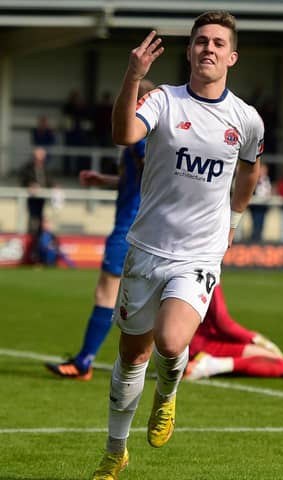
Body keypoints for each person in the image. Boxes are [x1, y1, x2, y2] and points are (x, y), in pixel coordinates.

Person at [89, 11, 263, 479]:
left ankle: (166, 397)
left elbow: (250, 170)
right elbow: (124, 135)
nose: (208, 48)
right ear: (189, 51)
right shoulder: (163, 100)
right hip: (146, 248)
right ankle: (114, 451)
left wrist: (236, 218)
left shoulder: (246, 119)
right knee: (132, 356)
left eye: (217, 42)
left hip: (199, 254)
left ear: (232, 56)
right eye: (200, 40)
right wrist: (133, 76)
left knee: (170, 341)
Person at [44, 80, 154, 381]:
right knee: (146, 297)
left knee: (108, 292)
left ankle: (84, 362)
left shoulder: (140, 138)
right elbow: (140, 179)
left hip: (131, 227)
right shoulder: (138, 140)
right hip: (139, 224)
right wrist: (104, 180)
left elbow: (158, 173)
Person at [184, 282, 283, 379]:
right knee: (282, 364)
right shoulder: (205, 266)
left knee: (275, 360)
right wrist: (257, 340)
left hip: (182, 343)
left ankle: (212, 364)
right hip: (203, 344)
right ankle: (211, 365)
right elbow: (222, 323)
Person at [21, 146, 55, 264]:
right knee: (33, 226)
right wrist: (30, 186)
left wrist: (55, 187)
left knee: (42, 228)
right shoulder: (27, 168)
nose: (41, 159)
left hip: (43, 202)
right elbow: (23, 181)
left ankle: (40, 257)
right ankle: (29, 256)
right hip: (32, 203)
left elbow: (50, 182)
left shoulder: (46, 169)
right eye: (38, 156)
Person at [248, 163, 271, 242]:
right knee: (255, 224)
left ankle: (258, 240)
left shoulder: (267, 180)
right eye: (262, 170)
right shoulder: (255, 179)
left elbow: (268, 190)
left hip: (263, 206)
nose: (263, 172)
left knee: (261, 225)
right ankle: (254, 241)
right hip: (255, 206)